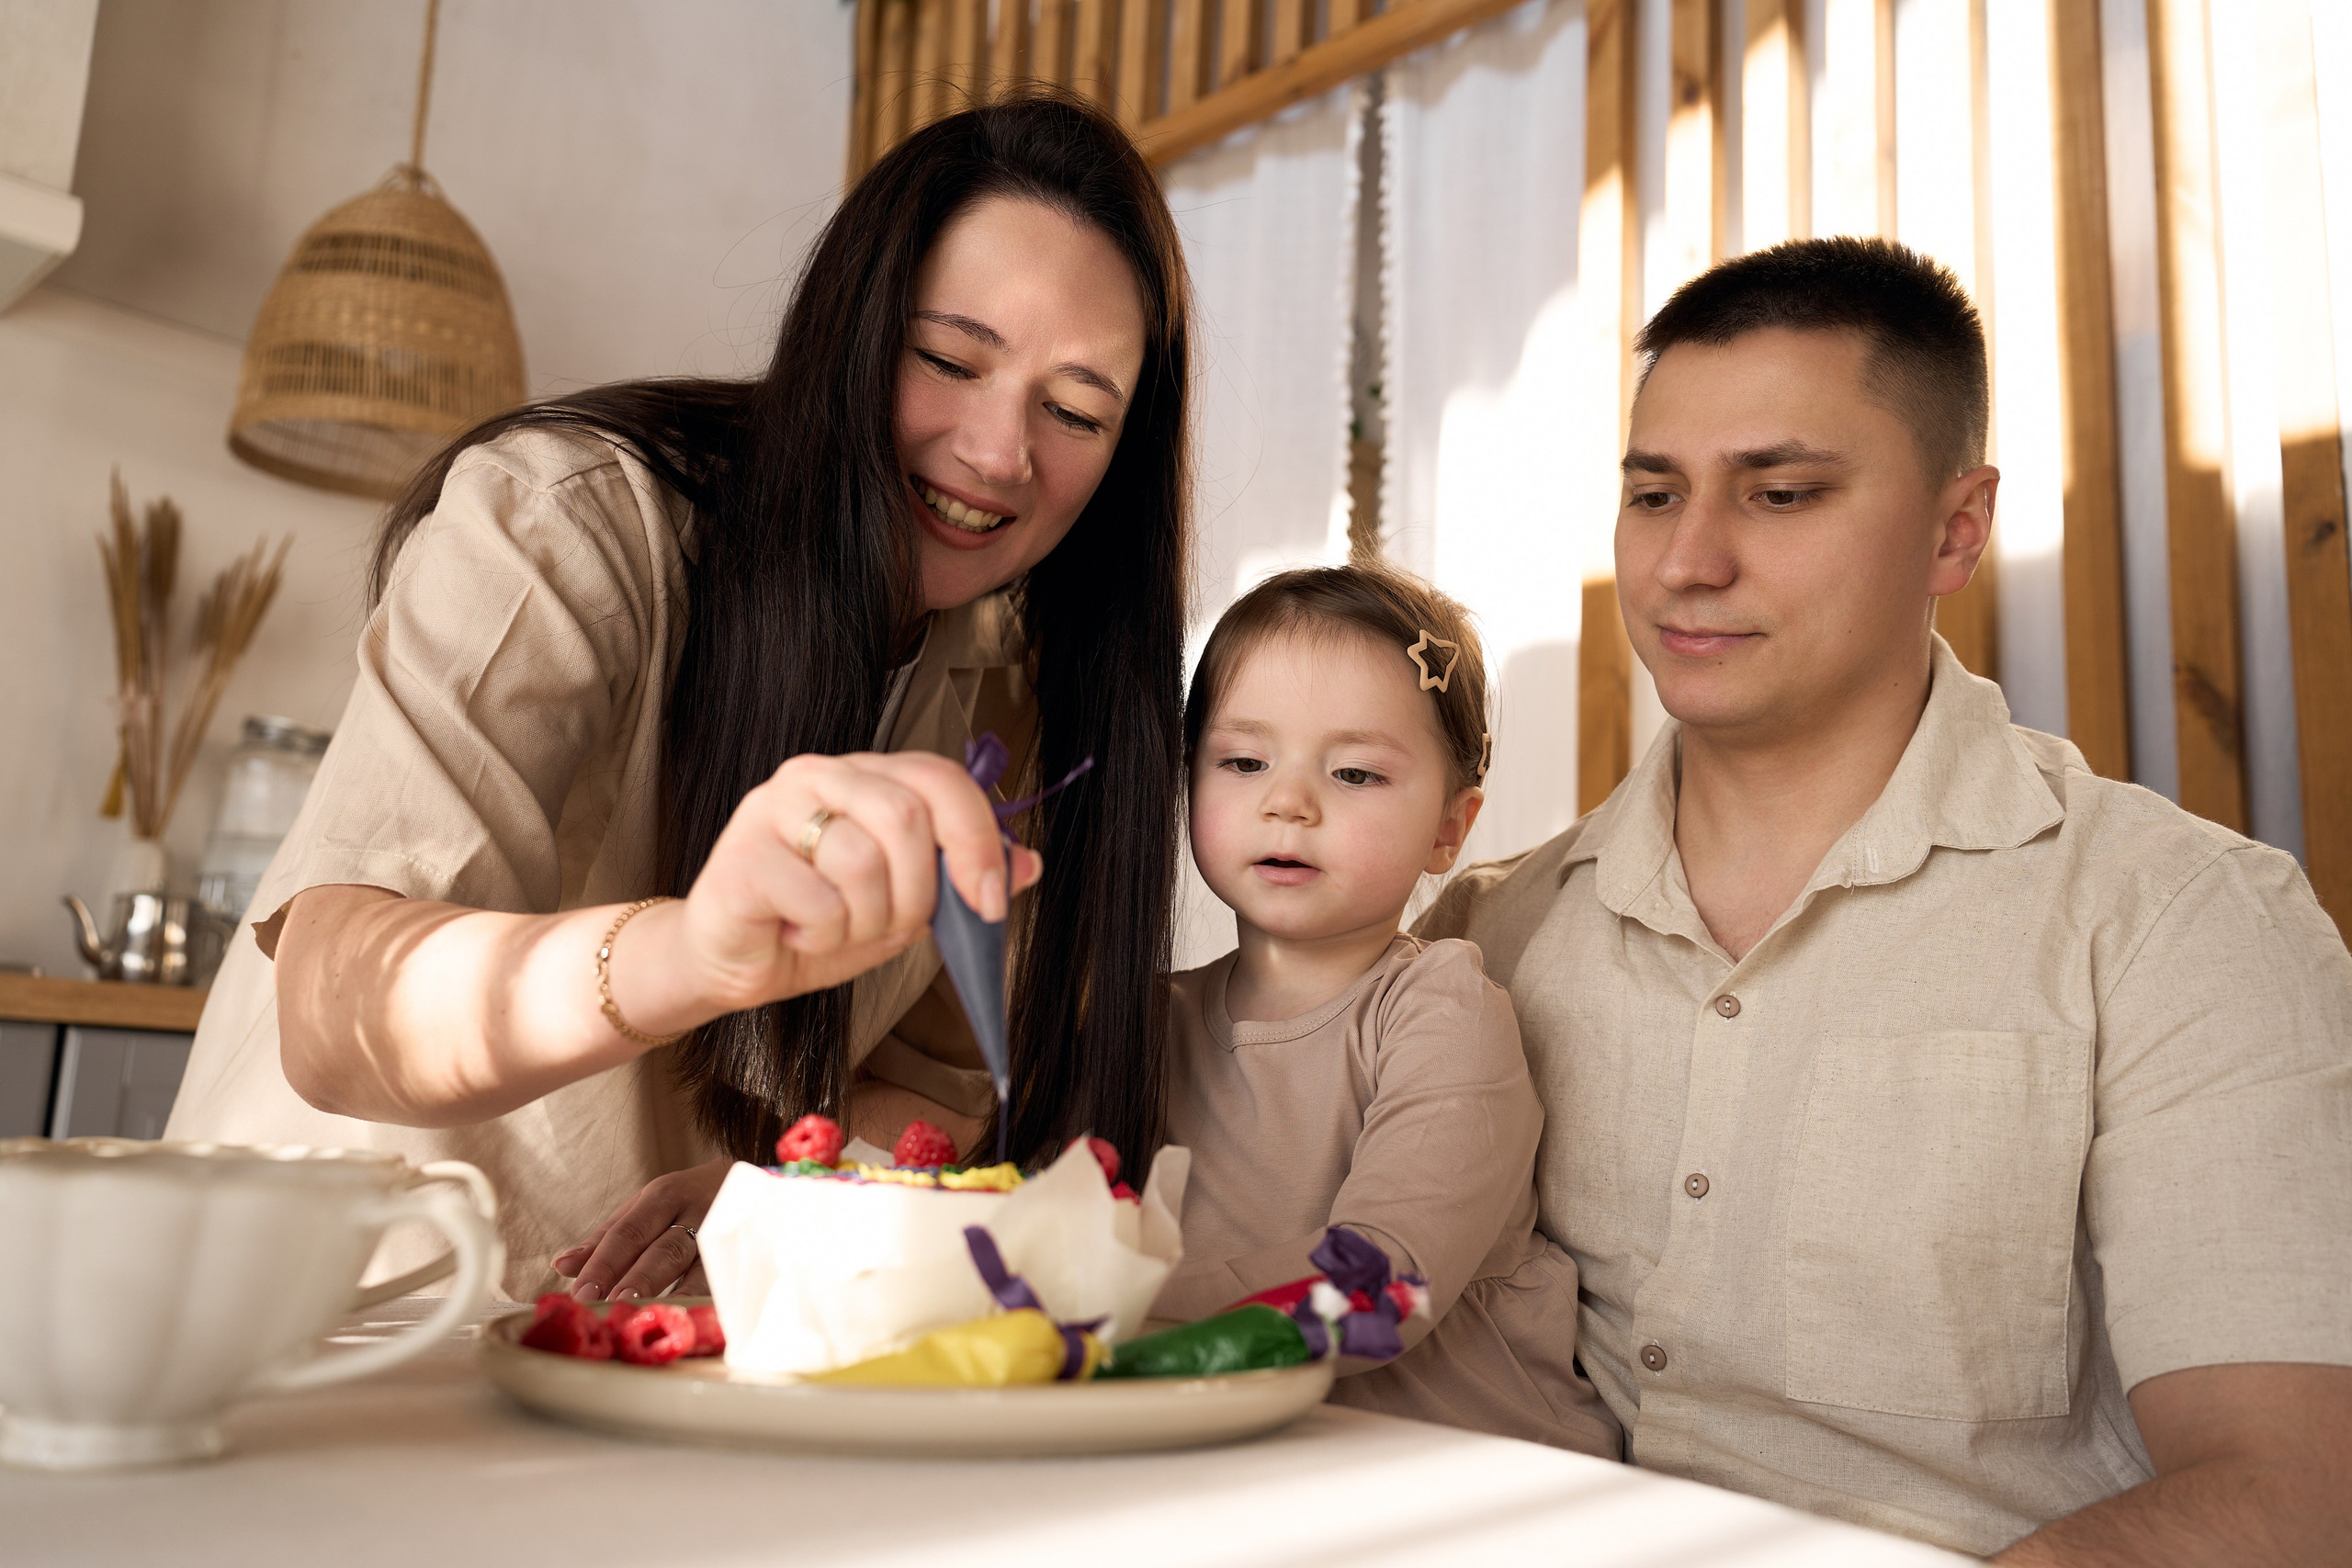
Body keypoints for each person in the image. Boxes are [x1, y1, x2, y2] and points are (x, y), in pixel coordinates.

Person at [164, 94, 1193, 1306]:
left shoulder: (1014, 681)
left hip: (628, 1351)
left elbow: (926, 1083)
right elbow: (339, 1003)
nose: (999, 450)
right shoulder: (567, 524)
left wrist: (809, 1186)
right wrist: (693, 950)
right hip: (316, 1306)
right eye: (950, 359)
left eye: (1075, 412)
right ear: (852, 331)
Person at [1419, 237, 2352, 1560]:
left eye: (1782, 492)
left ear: (1955, 527)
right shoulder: (1488, 935)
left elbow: (2297, 1487)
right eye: (1652, 493)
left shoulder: (2184, 925)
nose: (1687, 561)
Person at [1152, 566, 1619, 1459]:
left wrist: (1101, 1316)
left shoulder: (1439, 1013)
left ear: (1450, 827)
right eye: (1243, 762)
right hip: (1252, 1468)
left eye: (1356, 772)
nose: (1286, 801)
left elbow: (1374, 1293)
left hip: (1479, 1483)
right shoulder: (1149, 1020)